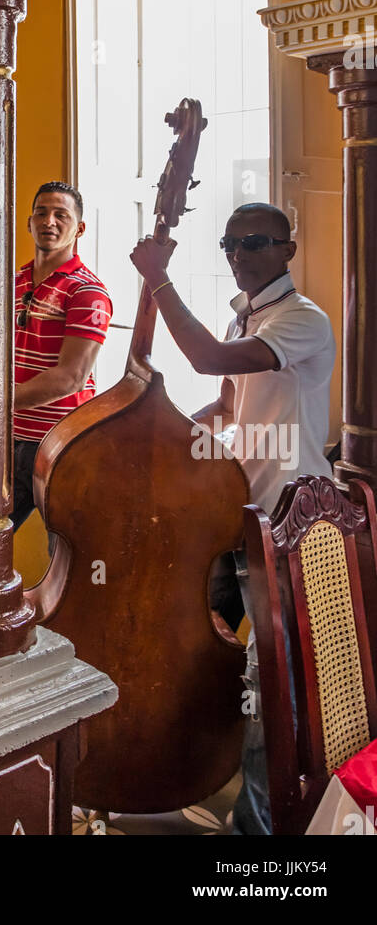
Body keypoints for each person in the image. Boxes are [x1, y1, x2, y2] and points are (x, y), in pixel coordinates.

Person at [130, 201, 335, 835]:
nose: (238, 254)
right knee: (192, 639)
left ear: (287, 251)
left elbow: (210, 359)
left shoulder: (303, 319)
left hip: (287, 524)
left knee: (270, 678)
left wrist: (158, 280)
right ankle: (181, 772)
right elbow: (225, 402)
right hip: (235, 512)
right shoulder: (246, 314)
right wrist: (161, 435)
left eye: (254, 242)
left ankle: (257, 831)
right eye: (230, 244)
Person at [12, 181, 112, 532]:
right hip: (7, 439)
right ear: (29, 223)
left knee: (68, 550)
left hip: (63, 444)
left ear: (79, 228)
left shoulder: (87, 291)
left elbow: (71, 377)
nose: (49, 221)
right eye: (41, 213)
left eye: (60, 215)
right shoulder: (12, 282)